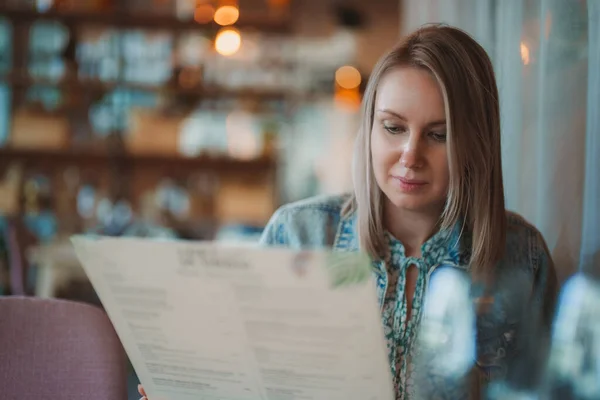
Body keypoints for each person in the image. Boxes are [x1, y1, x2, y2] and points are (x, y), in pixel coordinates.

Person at [139, 24, 557, 400]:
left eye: (438, 135)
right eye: (393, 127)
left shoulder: (523, 257)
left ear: (476, 143)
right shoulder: (298, 234)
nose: (410, 156)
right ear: (370, 129)